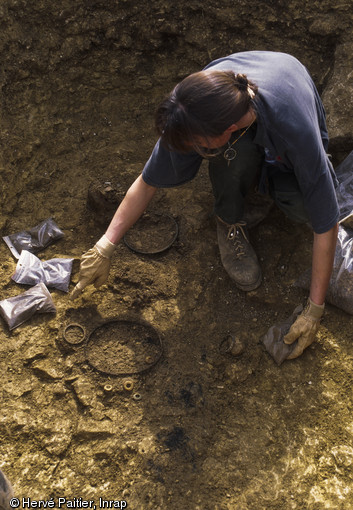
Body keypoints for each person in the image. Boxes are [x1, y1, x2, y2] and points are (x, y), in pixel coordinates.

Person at [71, 51, 339, 360]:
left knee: (304, 208)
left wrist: (314, 310)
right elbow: (148, 181)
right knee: (231, 157)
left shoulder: (293, 125)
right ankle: (230, 219)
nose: (191, 150)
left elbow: (325, 223)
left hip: (288, 107)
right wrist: (105, 246)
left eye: (198, 144)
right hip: (239, 130)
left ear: (226, 130)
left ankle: (268, 179)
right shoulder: (191, 102)